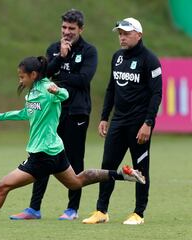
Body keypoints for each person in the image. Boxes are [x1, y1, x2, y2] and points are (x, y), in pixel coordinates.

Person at [0, 56, 145, 237]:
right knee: (76, 182)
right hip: (55, 151)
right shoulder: (33, 92)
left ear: (33, 75)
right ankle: (122, 174)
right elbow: (26, 113)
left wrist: (57, 91)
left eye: (22, 76)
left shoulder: (47, 88)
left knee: (3, 186)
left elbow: (65, 94)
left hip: (42, 155)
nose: (19, 80)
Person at [10, 9, 97, 221]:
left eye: (72, 29)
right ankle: (34, 209)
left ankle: (72, 209)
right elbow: (43, 75)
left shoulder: (89, 51)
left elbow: (83, 80)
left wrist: (60, 81)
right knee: (42, 156)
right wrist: (60, 57)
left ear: (80, 29)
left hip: (77, 111)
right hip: (51, 113)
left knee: (75, 158)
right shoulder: (53, 49)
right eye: (64, 28)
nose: (67, 32)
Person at [82, 17, 162, 225]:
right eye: (120, 34)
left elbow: (156, 94)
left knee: (140, 169)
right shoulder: (117, 57)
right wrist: (103, 117)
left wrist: (148, 123)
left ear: (139, 35)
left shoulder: (150, 60)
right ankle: (101, 211)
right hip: (118, 122)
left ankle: (139, 213)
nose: (122, 38)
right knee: (108, 165)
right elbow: (111, 89)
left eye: (126, 33)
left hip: (139, 124)